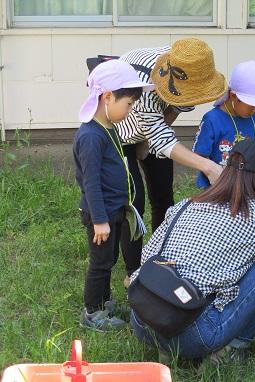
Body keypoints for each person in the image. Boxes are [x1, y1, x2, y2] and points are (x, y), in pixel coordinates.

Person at [129, 138, 255, 360]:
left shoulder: (186, 204)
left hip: (143, 321)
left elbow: (148, 257)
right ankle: (230, 350)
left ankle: (165, 347)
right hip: (194, 336)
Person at [115, 38, 227, 287]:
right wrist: (208, 166)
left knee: (163, 196)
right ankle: (134, 273)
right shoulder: (141, 87)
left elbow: (175, 109)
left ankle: (161, 260)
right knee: (134, 202)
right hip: (120, 133)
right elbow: (164, 141)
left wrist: (154, 136)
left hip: (153, 127)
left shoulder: (189, 64)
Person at [73, 60, 154, 330]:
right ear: (108, 97)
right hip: (101, 214)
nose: (130, 110)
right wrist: (99, 220)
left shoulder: (110, 128)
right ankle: (92, 311)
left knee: (110, 260)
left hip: (115, 209)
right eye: (129, 104)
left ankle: (105, 301)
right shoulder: (90, 137)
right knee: (100, 263)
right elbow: (91, 182)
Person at [192, 60, 255, 188]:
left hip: (247, 186)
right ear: (233, 96)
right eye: (252, 105)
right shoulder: (212, 120)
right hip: (215, 187)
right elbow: (200, 154)